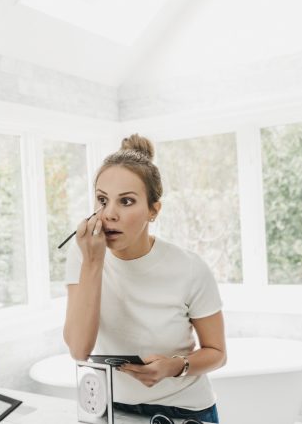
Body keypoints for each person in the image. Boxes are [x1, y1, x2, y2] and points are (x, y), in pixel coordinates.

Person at [63, 134, 226, 424]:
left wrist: (175, 366)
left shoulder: (189, 268)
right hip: (109, 410)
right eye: (102, 200)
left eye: (126, 201)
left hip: (185, 412)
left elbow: (217, 353)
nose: (109, 214)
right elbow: (79, 348)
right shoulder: (83, 256)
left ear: (154, 210)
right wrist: (92, 262)